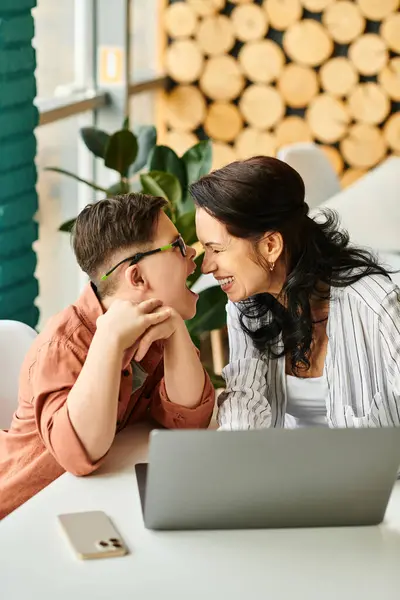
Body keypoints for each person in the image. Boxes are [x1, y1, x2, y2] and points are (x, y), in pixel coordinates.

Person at [0, 193, 215, 519]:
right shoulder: (63, 346)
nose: (193, 256)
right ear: (138, 277)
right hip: (22, 516)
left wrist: (177, 332)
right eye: (179, 246)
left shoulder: (155, 328)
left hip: (94, 508)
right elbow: (79, 455)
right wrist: (109, 342)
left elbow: (189, 419)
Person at [192, 156, 400, 430]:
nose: (205, 266)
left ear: (270, 246)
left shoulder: (376, 306)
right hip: (284, 471)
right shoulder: (246, 306)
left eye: (216, 249)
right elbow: (244, 400)